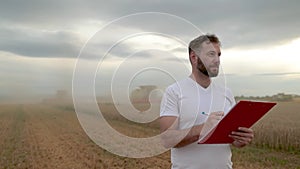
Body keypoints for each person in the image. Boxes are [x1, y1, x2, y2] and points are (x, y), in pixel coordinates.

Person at [159, 34, 254, 169]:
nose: (217, 60)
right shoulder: (174, 92)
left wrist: (240, 140)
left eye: (219, 55)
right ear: (194, 57)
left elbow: (232, 140)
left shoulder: (226, 93)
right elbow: (167, 139)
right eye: (211, 54)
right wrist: (202, 129)